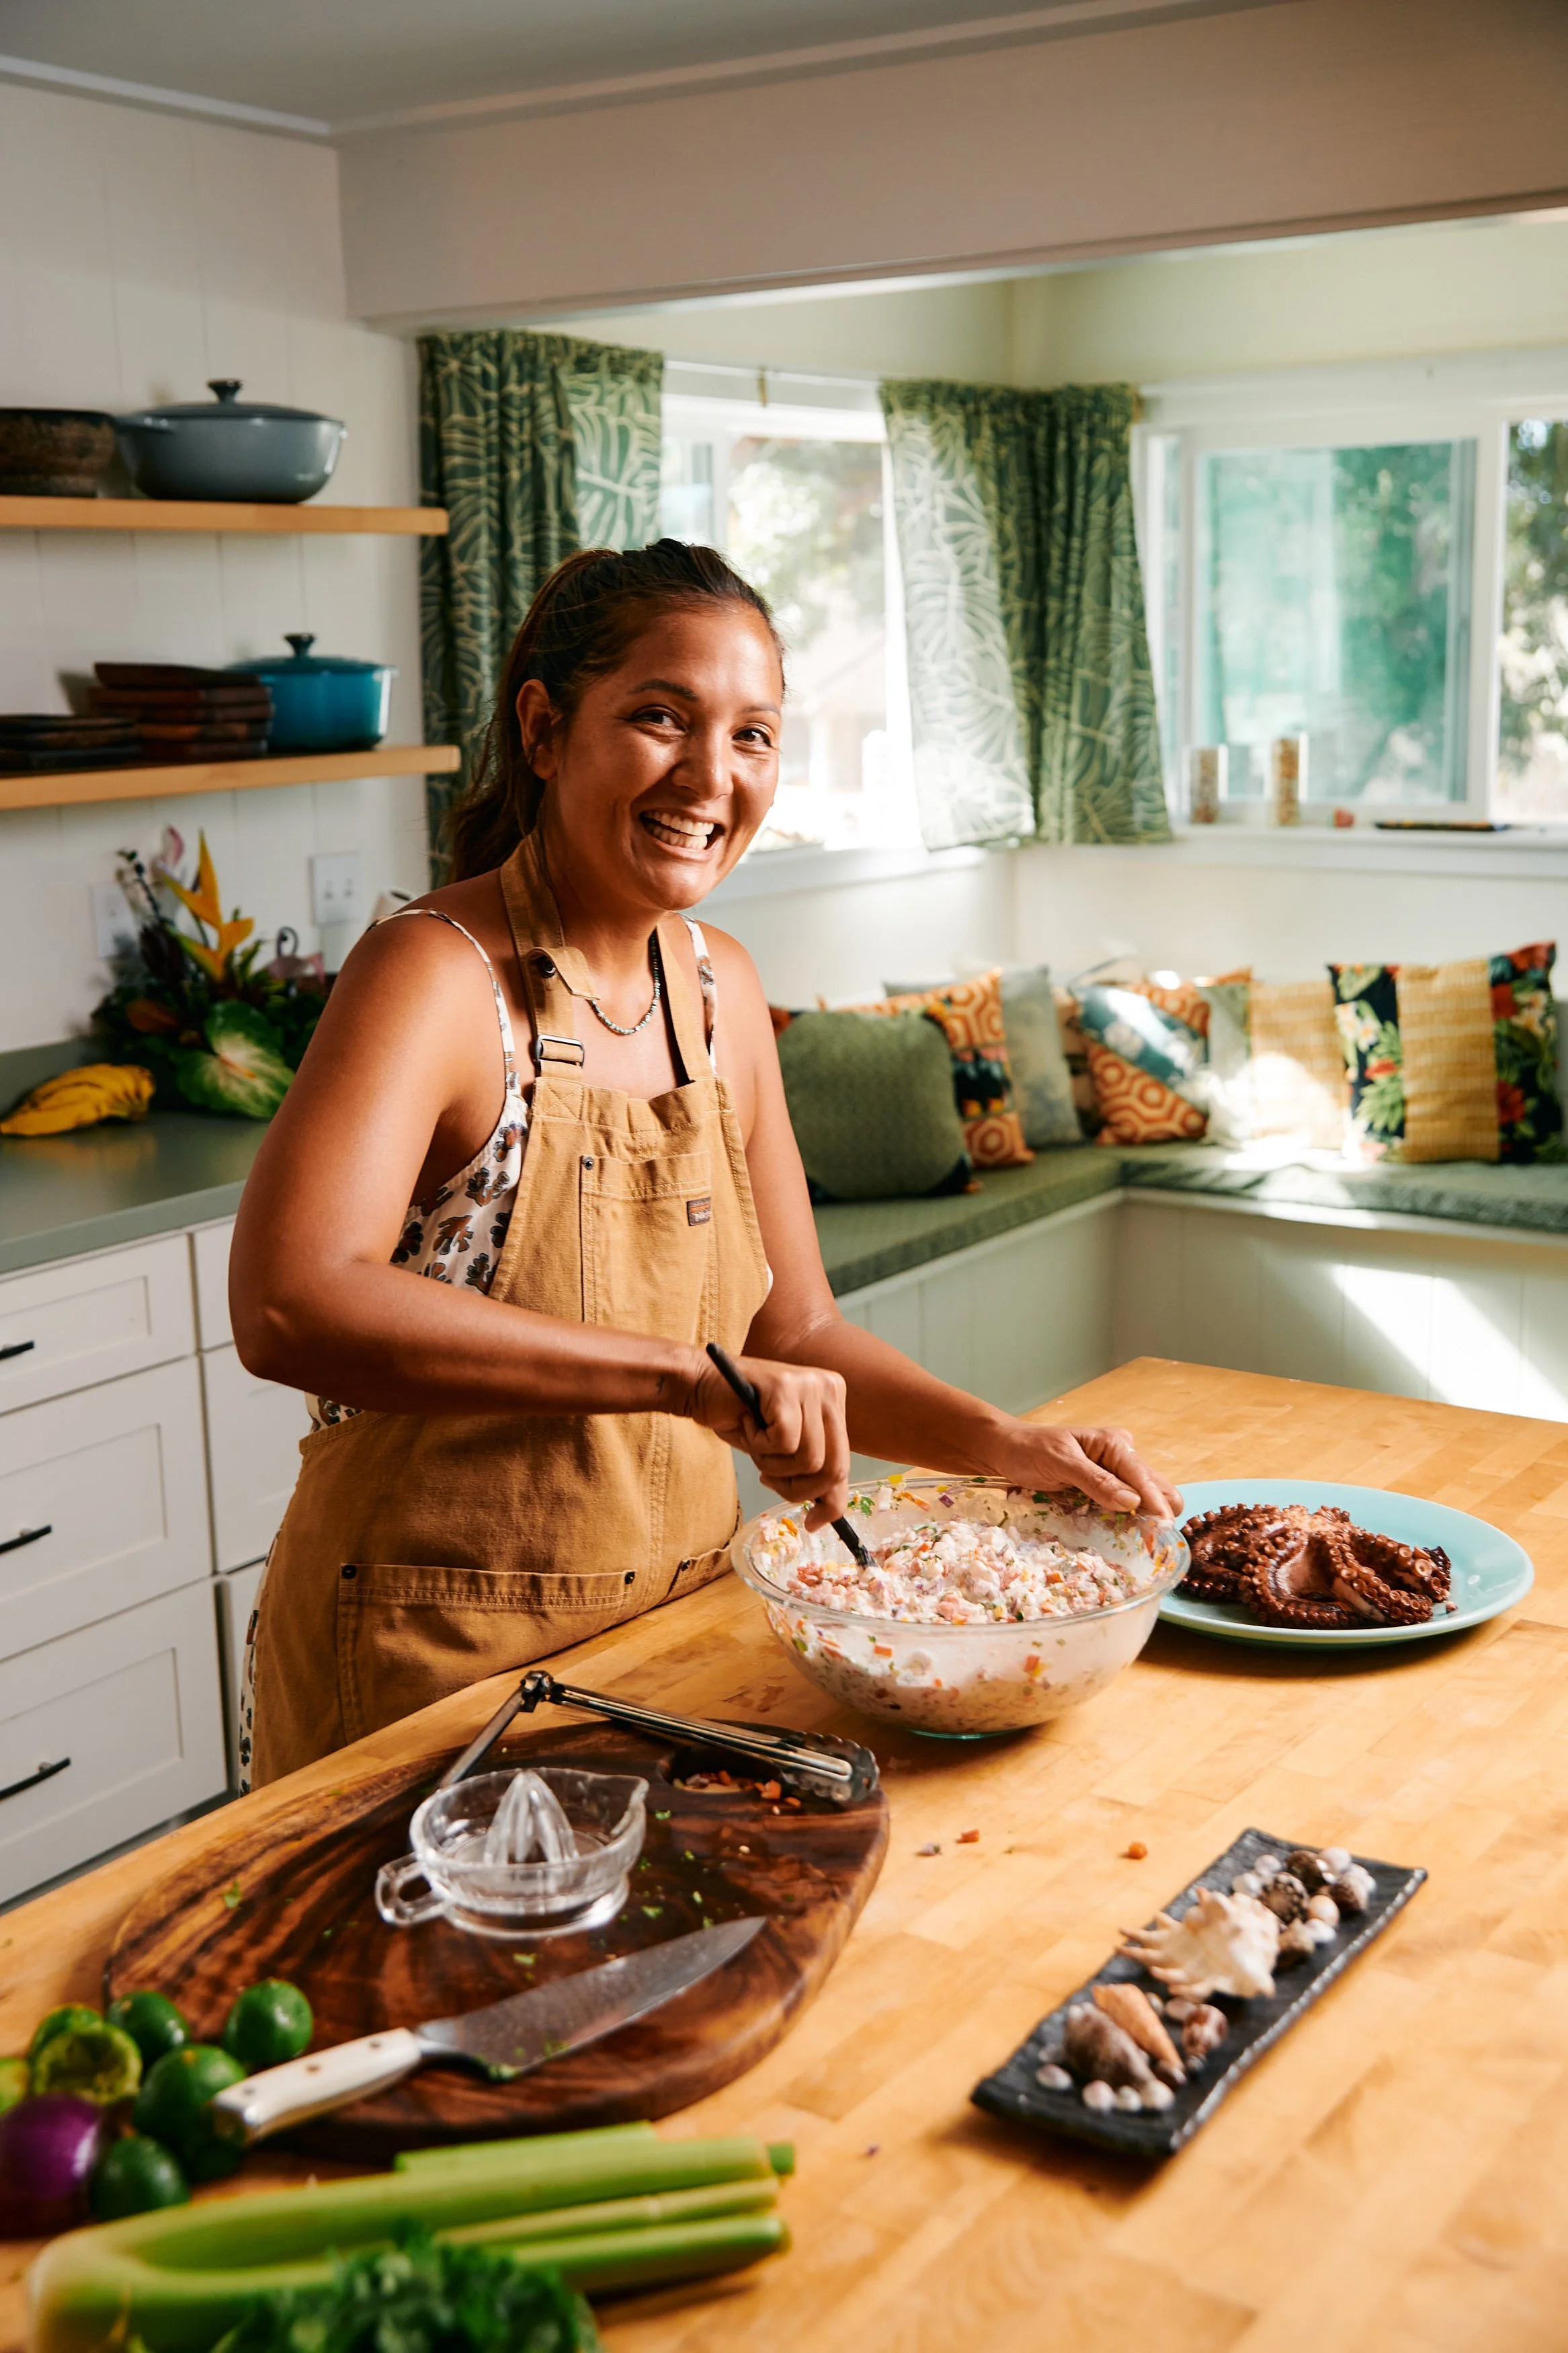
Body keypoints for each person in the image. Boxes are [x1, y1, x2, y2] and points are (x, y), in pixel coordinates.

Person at [231, 541, 1180, 1786]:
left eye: (753, 736)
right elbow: (291, 1301)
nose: (709, 776)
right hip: (436, 1674)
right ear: (545, 727)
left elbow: (797, 1330)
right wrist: (682, 1378)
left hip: (677, 1653)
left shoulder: (721, 988)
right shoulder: (434, 973)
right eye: (661, 718)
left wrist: (1004, 1445)